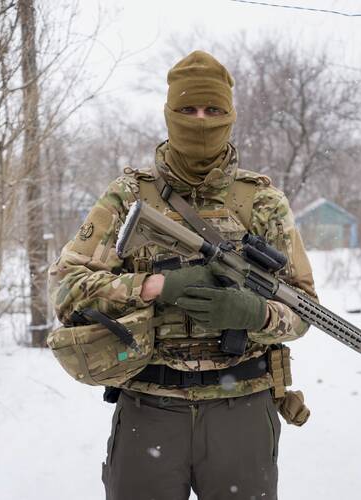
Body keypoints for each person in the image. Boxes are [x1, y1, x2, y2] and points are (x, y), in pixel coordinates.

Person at [48, 50, 317, 500]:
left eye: (213, 110)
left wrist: (256, 314)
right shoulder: (129, 195)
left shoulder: (262, 201)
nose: (200, 120)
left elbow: (304, 311)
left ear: (229, 116)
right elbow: (67, 290)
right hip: (150, 405)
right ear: (169, 114)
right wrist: (152, 287)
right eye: (188, 109)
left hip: (242, 409)